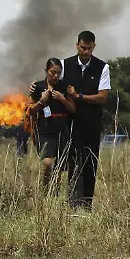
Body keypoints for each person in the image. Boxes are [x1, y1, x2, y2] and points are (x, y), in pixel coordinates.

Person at [61, 30, 111, 210]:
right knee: (72, 161)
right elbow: (53, 85)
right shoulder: (64, 65)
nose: (86, 52)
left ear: (94, 47)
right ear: (77, 45)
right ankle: (72, 204)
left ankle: (86, 204)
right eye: (83, 48)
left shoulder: (102, 68)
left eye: (89, 48)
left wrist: (80, 96)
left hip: (91, 122)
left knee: (90, 162)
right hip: (70, 122)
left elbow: (102, 97)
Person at [28, 58, 77, 194]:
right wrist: (41, 101)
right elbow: (30, 111)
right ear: (46, 71)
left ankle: (53, 194)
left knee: (59, 166)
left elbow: (72, 109)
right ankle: (44, 190)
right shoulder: (37, 87)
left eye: (58, 73)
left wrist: (62, 99)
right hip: (44, 129)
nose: (55, 76)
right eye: (52, 72)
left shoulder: (64, 87)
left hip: (61, 129)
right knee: (47, 163)